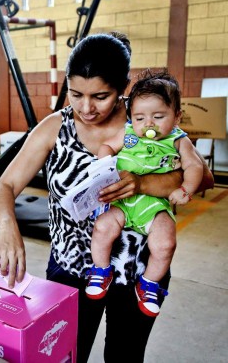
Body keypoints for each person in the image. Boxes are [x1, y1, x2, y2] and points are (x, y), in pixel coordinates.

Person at [0, 33, 213, 363]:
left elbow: (204, 178)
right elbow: (4, 187)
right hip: (71, 269)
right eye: (76, 93)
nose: (86, 107)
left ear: (123, 87)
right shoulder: (56, 127)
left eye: (100, 96)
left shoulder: (146, 118)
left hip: (137, 271)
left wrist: (142, 183)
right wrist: (8, 227)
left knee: (125, 355)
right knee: (65, 353)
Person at [86, 70, 204, 317]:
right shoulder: (129, 133)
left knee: (165, 243)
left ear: (177, 116)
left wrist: (186, 189)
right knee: (101, 227)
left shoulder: (179, 140)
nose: (148, 124)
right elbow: (107, 146)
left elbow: (195, 167)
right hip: (124, 204)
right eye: (139, 118)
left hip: (155, 207)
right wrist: (104, 164)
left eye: (158, 116)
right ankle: (100, 270)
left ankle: (149, 283)